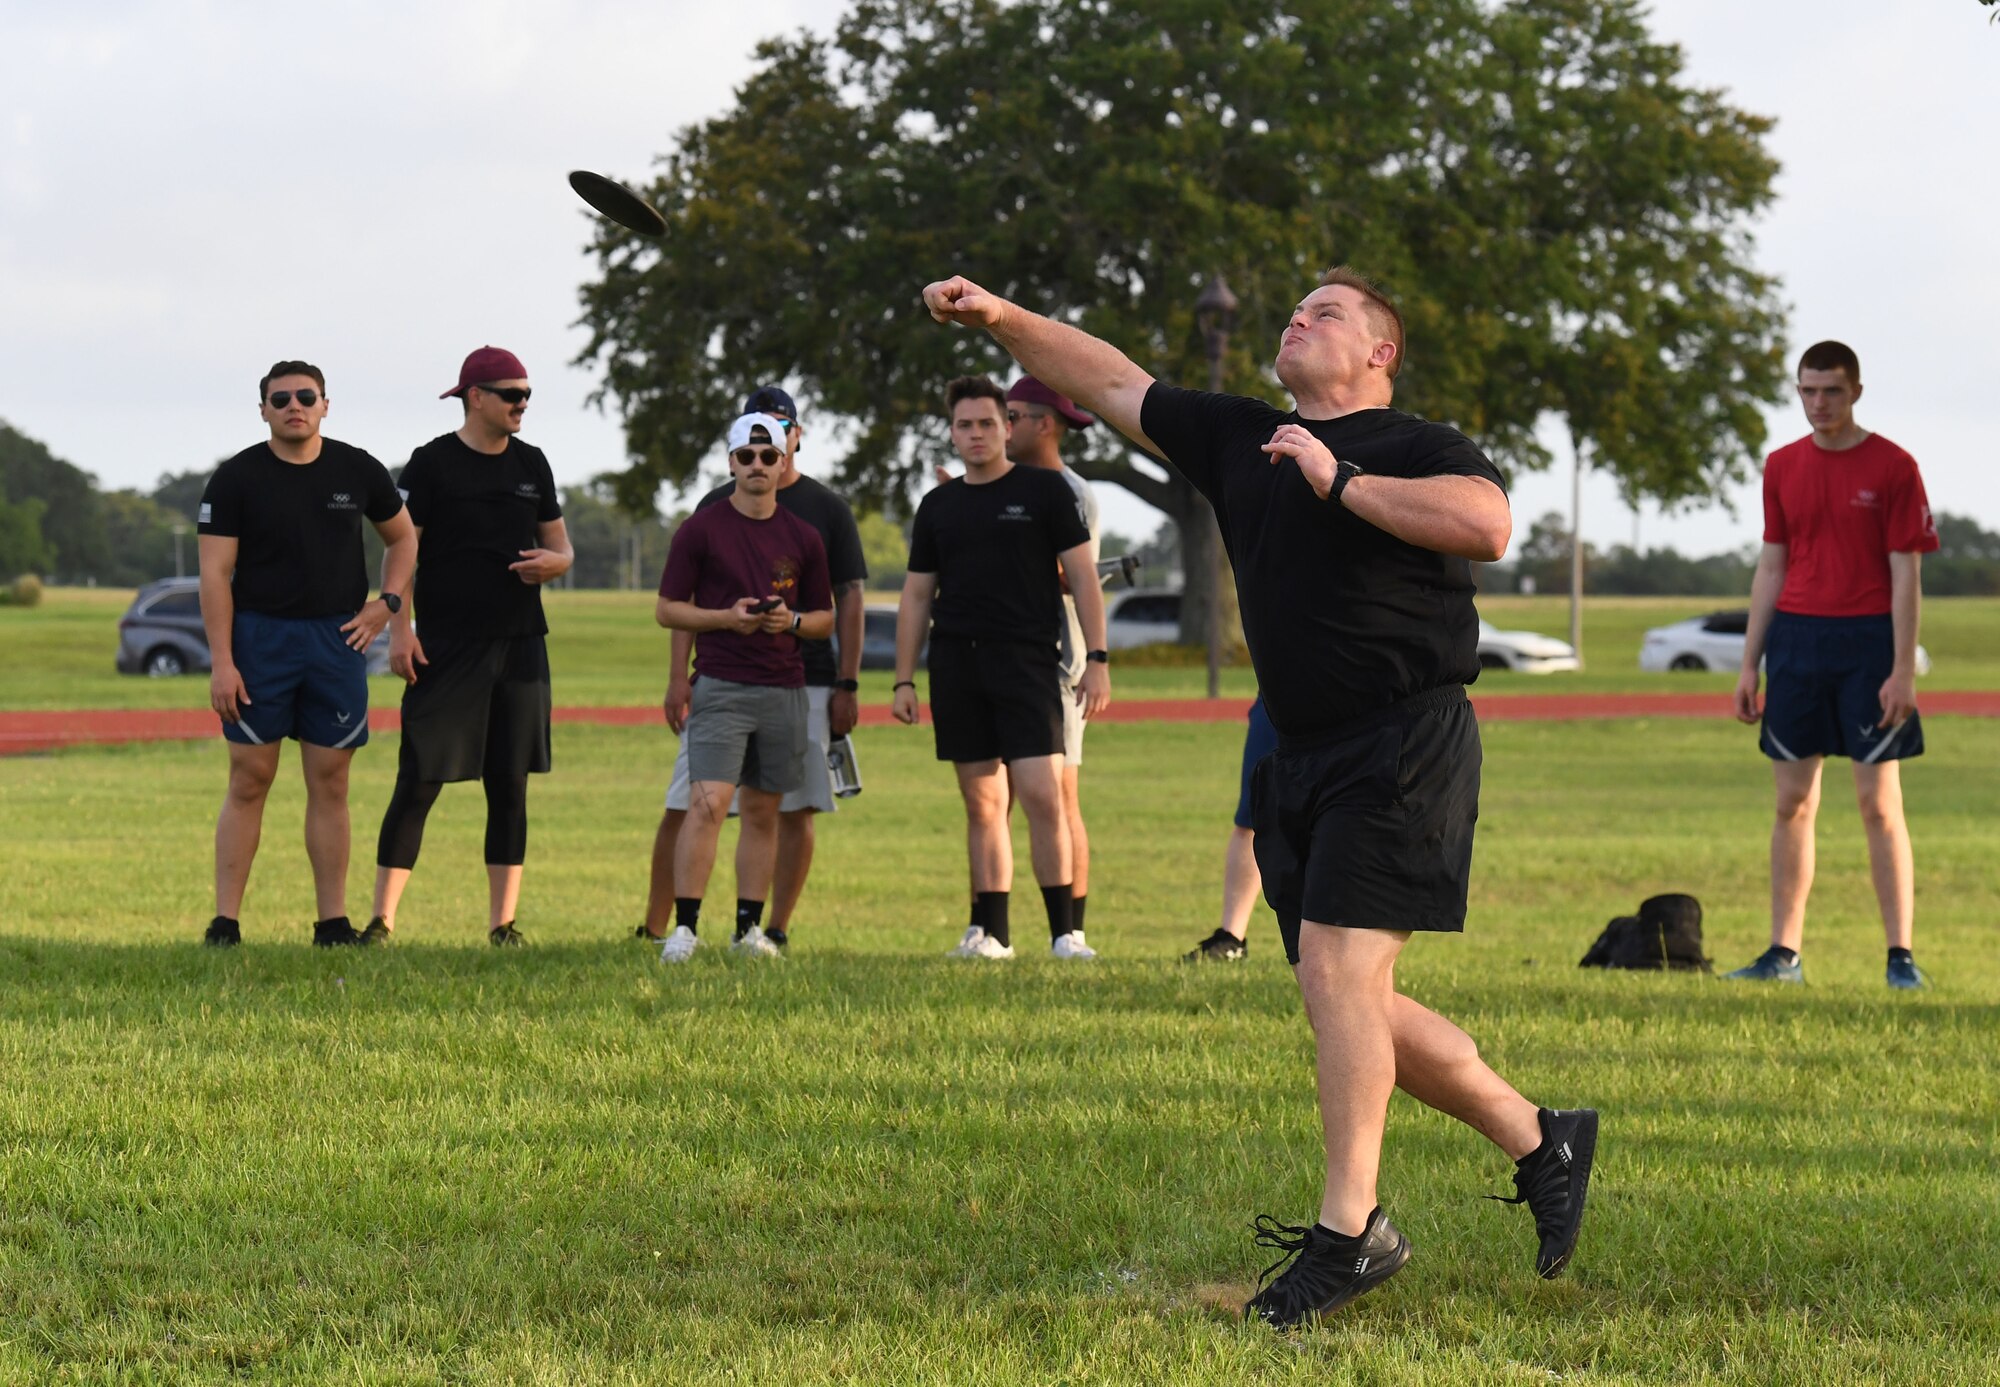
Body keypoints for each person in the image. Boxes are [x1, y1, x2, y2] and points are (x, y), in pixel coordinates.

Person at [920, 267, 1595, 1326]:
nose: (1297, 319)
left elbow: (1484, 524)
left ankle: (1349, 1230)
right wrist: (1001, 318)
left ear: (1379, 352)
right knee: (1345, 995)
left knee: (1337, 971)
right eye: (1294, 309)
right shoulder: (1241, 435)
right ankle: (1537, 1134)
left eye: (1325, 313)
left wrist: (1340, 482)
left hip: (1403, 734)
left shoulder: (1419, 446)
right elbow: (1106, 382)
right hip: (1297, 747)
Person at [1728, 340, 1938, 989]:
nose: (1820, 403)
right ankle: (1783, 953)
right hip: (1797, 644)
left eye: (1833, 391)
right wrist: (1749, 664)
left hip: (1869, 645)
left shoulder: (1895, 466)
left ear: (1856, 392)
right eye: (1809, 391)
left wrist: (1902, 668)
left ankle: (1900, 955)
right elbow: (1772, 565)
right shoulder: (1782, 464)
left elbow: (1907, 576)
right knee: (1792, 802)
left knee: (1879, 804)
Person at [196, 360, 415, 946]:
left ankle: (332, 922)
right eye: (281, 398)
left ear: (325, 404)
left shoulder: (357, 468)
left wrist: (386, 604)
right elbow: (214, 575)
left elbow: (404, 537)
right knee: (250, 777)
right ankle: (225, 923)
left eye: (306, 396)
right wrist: (223, 661)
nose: (295, 405)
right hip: (260, 640)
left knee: (331, 780)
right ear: (263, 409)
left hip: (336, 639)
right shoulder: (236, 478)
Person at [891, 375, 1110, 961]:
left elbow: (1085, 579)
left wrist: (1097, 658)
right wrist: (904, 678)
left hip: (1030, 664)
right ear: (953, 433)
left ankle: (1066, 934)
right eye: (965, 425)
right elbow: (916, 597)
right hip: (958, 667)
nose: (977, 434)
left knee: (1042, 795)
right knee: (983, 802)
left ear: (1007, 427)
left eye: (988, 423)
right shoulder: (938, 505)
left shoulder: (1045, 494)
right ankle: (993, 934)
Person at [640, 387, 866, 950]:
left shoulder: (810, 530)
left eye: (769, 456)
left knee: (769, 809)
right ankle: (684, 927)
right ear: (732, 459)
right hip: (720, 682)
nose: (759, 465)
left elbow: (826, 616)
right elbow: (669, 609)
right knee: (707, 802)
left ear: (788, 453)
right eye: (748, 456)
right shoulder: (702, 526)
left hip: (789, 686)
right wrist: (725, 619)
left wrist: (786, 622)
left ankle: (751, 928)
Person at [366, 347, 574, 947]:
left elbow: (562, 548)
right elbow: (402, 547)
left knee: (509, 783)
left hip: (521, 644)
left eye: (528, 395)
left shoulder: (533, 463)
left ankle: (503, 924)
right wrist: (400, 627)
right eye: (512, 395)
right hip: (448, 645)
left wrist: (553, 565)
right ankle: (381, 921)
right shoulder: (431, 463)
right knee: (420, 778)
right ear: (474, 396)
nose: (522, 405)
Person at [1183, 694, 1277, 962]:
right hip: (1280, 694)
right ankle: (1231, 938)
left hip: (1349, 697)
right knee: (1252, 815)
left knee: (1346, 819)